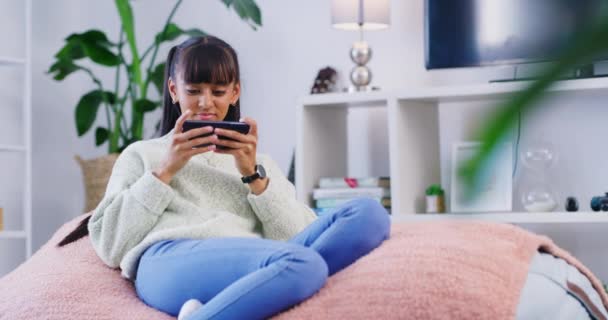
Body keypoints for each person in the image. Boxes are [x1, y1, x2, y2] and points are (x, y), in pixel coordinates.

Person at [58, 36, 391, 320]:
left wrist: (253, 176)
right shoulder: (142, 154)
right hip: (170, 260)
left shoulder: (257, 162)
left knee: (369, 213)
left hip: (257, 257)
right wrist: (165, 171)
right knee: (303, 263)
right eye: (194, 90)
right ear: (174, 90)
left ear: (235, 93)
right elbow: (110, 244)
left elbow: (296, 235)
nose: (206, 103)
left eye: (218, 91)